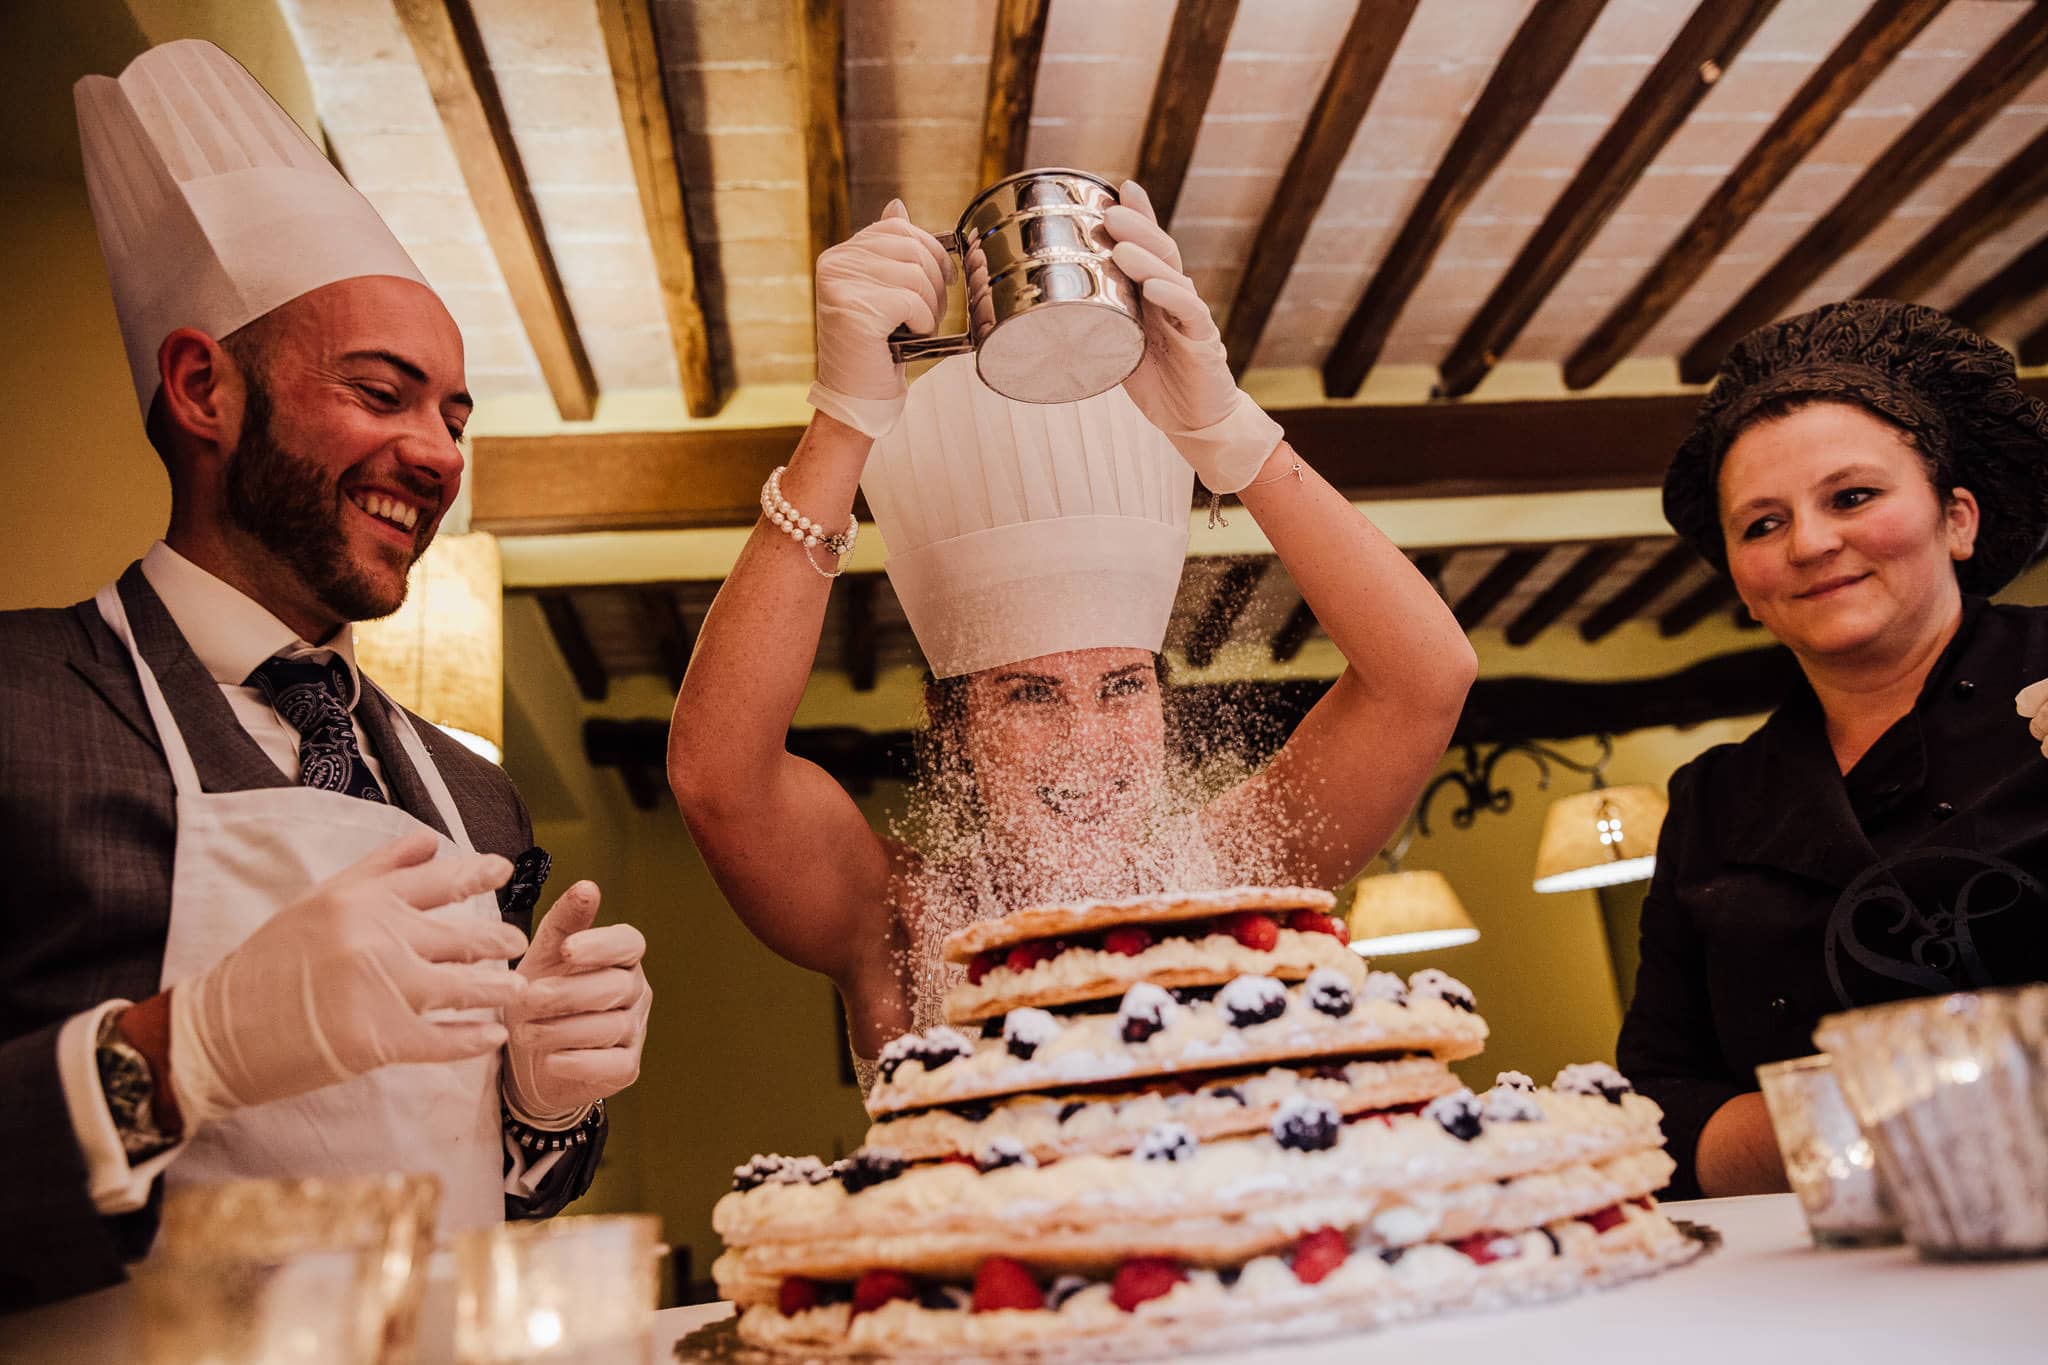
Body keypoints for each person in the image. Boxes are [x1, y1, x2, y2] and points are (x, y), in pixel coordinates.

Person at [0, 41, 650, 1309]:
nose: (437, 454)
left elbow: (494, 1183)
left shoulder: (477, 794)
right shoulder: (19, 706)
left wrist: (542, 1106)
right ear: (202, 388)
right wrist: (186, 1050)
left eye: (455, 417)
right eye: (381, 393)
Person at [668, 185, 1476, 1075]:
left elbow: (1428, 676)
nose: (1088, 741)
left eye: (1123, 686)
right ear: (952, 726)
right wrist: (843, 423)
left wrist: (1230, 433)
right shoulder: (895, 918)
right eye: (1031, 693)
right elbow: (718, 776)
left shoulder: (1248, 860)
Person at [1618, 298, 2048, 1199]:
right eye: (1762, 524)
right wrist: (1899, 1128)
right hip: (1827, 1280)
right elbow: (1658, 1103)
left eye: (1852, 496)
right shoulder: (1713, 799)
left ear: (1958, 519)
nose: (1811, 542)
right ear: (1741, 579)